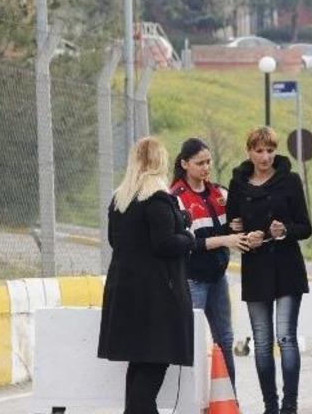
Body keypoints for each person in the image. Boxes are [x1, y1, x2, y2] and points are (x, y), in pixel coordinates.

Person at [97, 137, 196, 414]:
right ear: (161, 162)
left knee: (139, 363)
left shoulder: (121, 199)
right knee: (154, 364)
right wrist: (188, 238)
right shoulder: (158, 198)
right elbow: (164, 243)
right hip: (156, 296)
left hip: (124, 290)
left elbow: (116, 240)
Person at [227, 126, 311, 414]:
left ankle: (290, 404)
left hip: (286, 266)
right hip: (255, 267)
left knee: (286, 337)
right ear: (249, 151)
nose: (265, 157)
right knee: (261, 342)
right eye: (259, 151)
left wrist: (284, 230)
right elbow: (231, 223)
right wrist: (236, 230)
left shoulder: (290, 180)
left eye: (270, 150)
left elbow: (305, 227)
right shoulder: (238, 183)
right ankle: (270, 405)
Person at [170, 137, 249, 388]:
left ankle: (229, 398)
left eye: (208, 162)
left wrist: (236, 226)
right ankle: (188, 398)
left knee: (225, 339)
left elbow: (231, 225)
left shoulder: (219, 192)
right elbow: (190, 243)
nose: (205, 167)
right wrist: (227, 237)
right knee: (190, 339)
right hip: (192, 279)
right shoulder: (177, 198)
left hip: (218, 278)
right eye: (199, 163)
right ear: (185, 164)